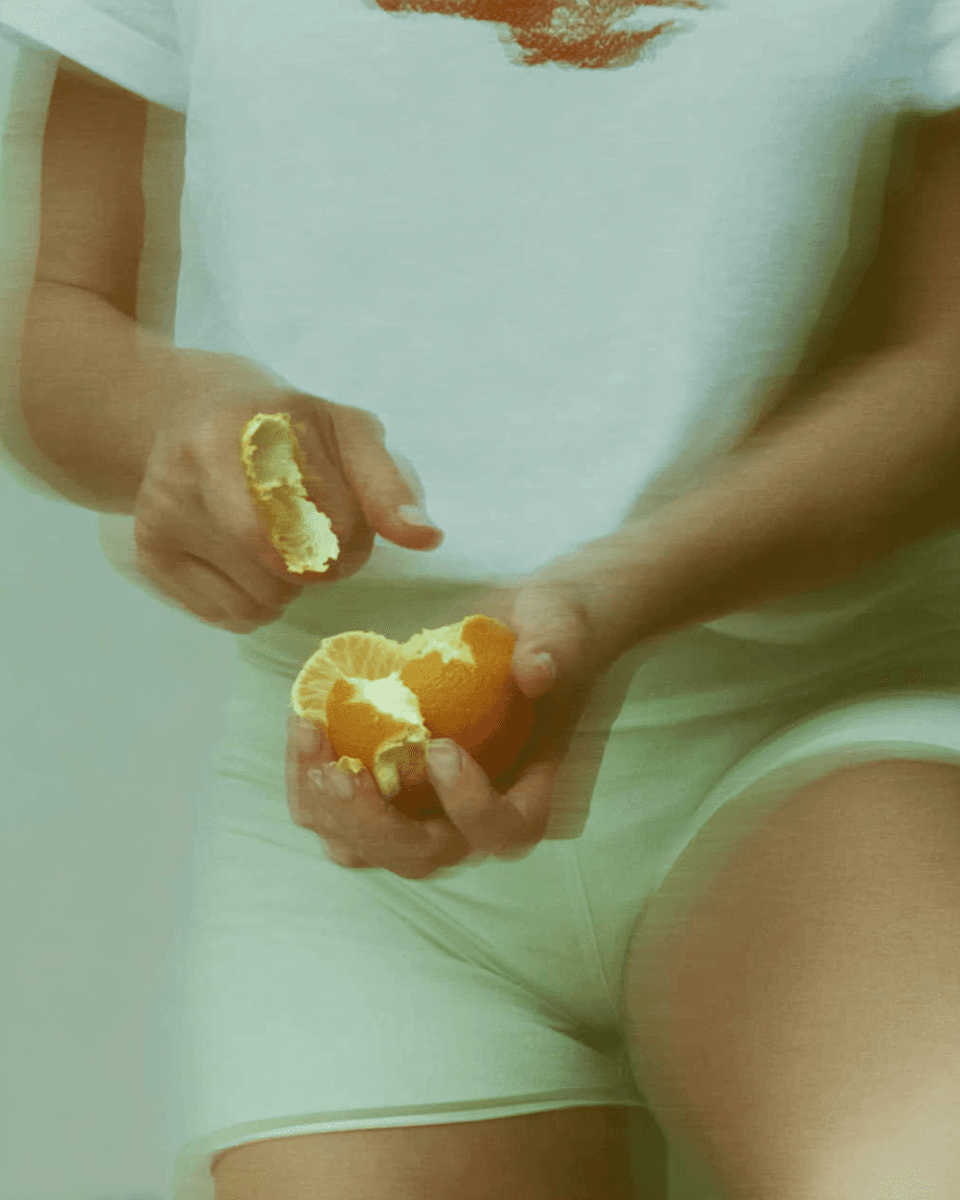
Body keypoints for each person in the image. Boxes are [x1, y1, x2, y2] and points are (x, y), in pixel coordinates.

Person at [2, 2, 960, 1197]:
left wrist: (615, 598)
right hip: (352, 837)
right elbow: (59, 315)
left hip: (815, 743)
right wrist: (184, 424)